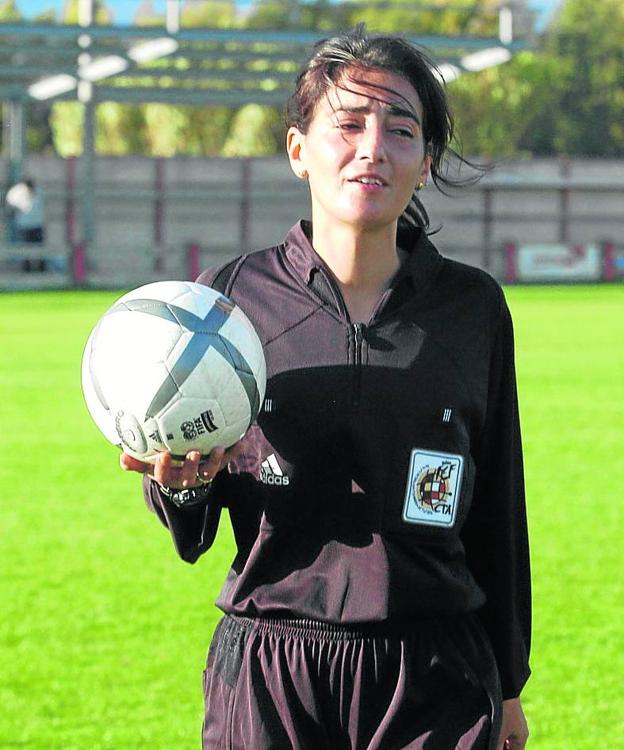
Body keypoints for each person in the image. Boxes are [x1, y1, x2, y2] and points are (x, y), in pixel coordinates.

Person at [121, 26, 531, 750]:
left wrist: (508, 685)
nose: (372, 145)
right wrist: (180, 485)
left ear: (426, 161)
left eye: (400, 128)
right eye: (347, 123)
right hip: (272, 670)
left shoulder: (473, 309)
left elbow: (498, 506)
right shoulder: (225, 306)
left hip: (435, 675)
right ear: (298, 149)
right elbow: (197, 517)